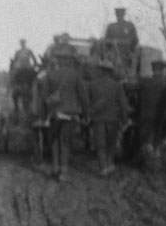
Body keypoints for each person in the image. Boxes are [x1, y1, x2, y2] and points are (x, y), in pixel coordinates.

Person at [39, 46, 89, 181]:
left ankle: (55, 167)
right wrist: (86, 114)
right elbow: (83, 97)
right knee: (65, 141)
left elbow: (44, 97)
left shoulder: (49, 75)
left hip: (55, 113)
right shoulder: (76, 75)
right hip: (71, 113)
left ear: (58, 61)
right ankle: (64, 171)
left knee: (55, 139)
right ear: (70, 61)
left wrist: (44, 116)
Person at [86, 57, 130, 175]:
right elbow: (123, 105)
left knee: (100, 144)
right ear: (111, 71)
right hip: (113, 119)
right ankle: (109, 164)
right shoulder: (117, 85)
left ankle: (102, 168)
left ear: (100, 70)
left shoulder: (92, 84)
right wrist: (125, 121)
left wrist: (87, 115)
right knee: (111, 144)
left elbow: (87, 103)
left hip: (97, 119)